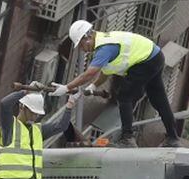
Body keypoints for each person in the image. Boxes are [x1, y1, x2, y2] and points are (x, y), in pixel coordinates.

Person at [54, 20, 181, 148]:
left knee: (124, 97)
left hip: (145, 61)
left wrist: (67, 87)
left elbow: (89, 73)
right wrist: (94, 86)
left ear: (86, 38)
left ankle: (127, 138)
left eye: (81, 46)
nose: (82, 50)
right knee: (158, 100)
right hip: (155, 56)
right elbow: (105, 71)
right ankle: (173, 137)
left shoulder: (104, 48)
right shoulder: (103, 40)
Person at [0, 89, 76, 179]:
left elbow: (61, 126)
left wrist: (69, 106)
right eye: (32, 112)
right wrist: (24, 92)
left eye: (37, 114)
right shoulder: (9, 126)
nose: (35, 116)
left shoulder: (38, 130)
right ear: (22, 107)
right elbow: (4, 104)